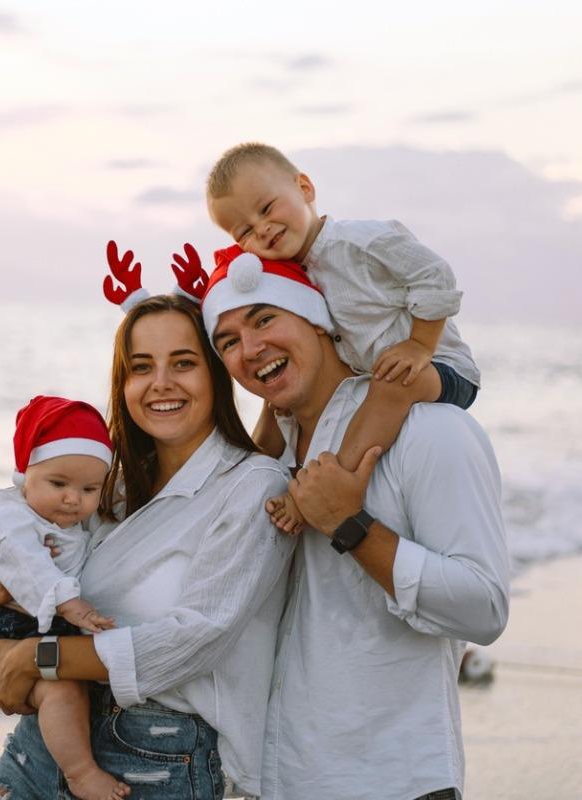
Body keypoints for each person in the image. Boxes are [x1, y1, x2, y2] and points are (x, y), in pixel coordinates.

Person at [0, 289, 296, 800]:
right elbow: (8, 586)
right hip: (44, 746)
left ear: (215, 373)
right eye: (141, 367)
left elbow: (193, 641)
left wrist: (39, 657)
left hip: (161, 757)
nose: (160, 384)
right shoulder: (102, 488)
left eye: (183, 363)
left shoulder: (252, 488)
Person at [202, 251, 510, 799]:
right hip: (269, 782)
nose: (250, 350)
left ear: (317, 317)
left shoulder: (430, 429)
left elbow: (483, 608)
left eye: (265, 318)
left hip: (389, 779)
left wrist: (349, 525)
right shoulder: (263, 463)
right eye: (227, 341)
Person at [206, 142, 481, 534]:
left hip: (442, 369)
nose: (262, 228)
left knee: (389, 387)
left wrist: (419, 345)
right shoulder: (295, 274)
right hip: (376, 377)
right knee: (286, 409)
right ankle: (234, 493)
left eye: (266, 209)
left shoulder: (360, 242)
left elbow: (434, 275)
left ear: (304, 187)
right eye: (245, 230)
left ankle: (326, 487)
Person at [0, 395, 128, 800]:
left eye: (89, 488)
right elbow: (30, 568)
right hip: (14, 627)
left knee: (73, 691)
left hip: (49, 626)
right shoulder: (11, 517)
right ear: (26, 474)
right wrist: (72, 605)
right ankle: (80, 774)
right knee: (62, 691)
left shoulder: (67, 514)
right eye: (59, 484)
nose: (74, 499)